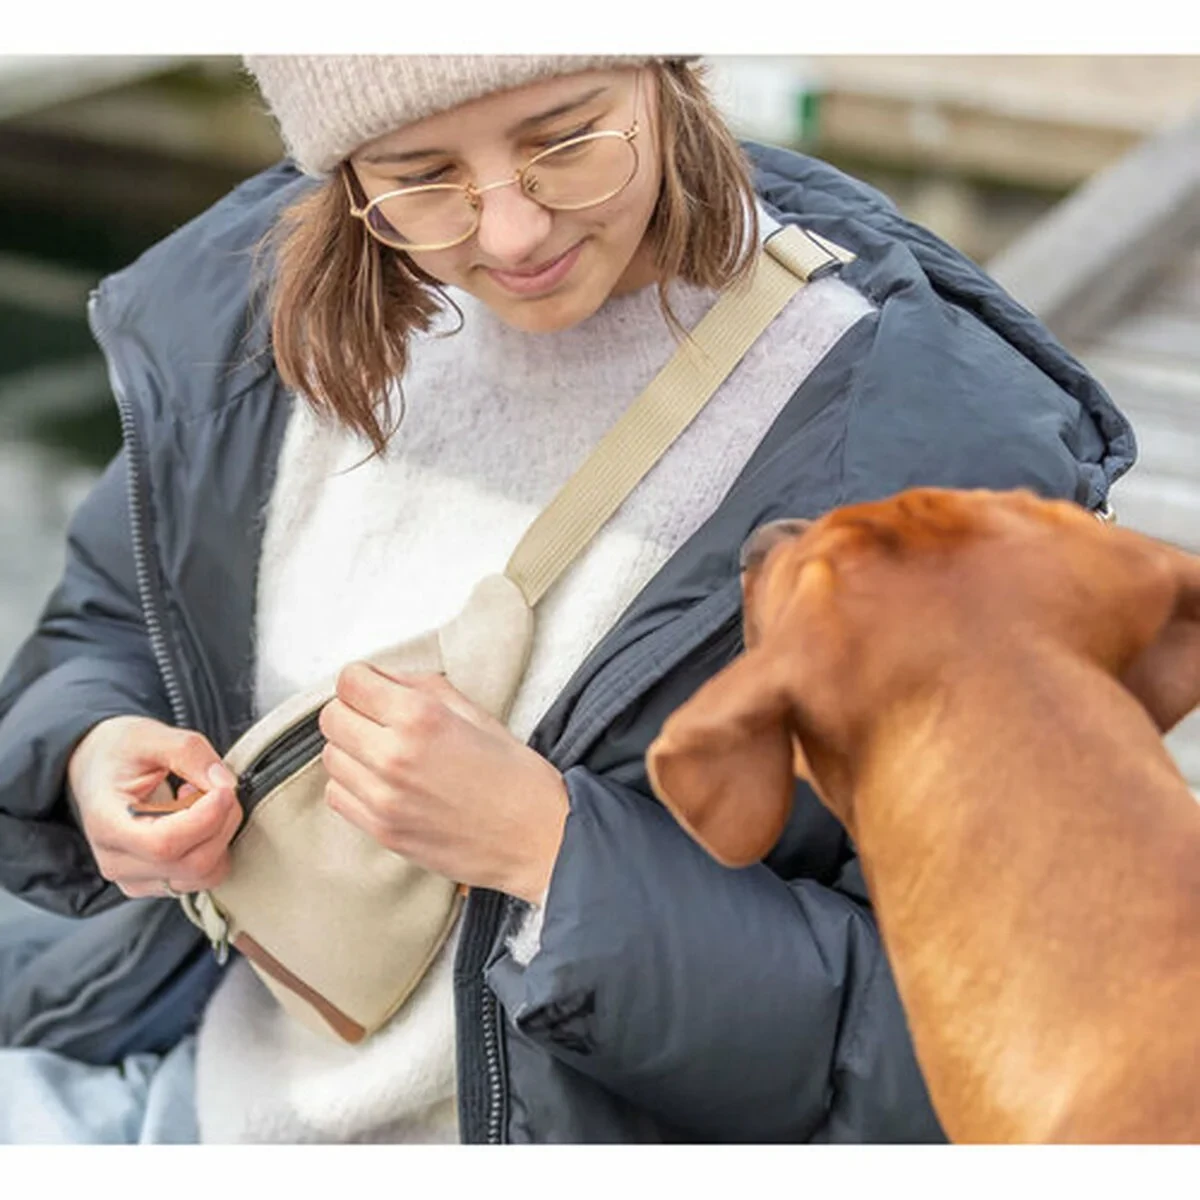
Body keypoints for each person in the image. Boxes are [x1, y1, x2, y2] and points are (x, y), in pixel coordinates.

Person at [0, 55, 1134, 1143]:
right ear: (342, 172)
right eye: (419, 176)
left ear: (669, 78)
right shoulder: (252, 322)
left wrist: (552, 853)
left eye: (567, 139)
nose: (512, 232)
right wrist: (95, 754)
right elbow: (111, 621)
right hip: (184, 1091)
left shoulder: (916, 456)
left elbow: (989, 1033)